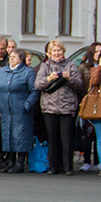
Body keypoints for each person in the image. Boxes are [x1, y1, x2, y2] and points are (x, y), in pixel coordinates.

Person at [34, 39, 83, 175]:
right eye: (54, 51)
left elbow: (79, 84)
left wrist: (69, 79)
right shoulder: (45, 66)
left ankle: (68, 167)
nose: (57, 53)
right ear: (49, 53)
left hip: (67, 107)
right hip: (49, 108)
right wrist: (49, 79)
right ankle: (53, 167)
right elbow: (38, 85)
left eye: (59, 50)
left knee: (67, 139)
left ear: (63, 52)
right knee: (52, 138)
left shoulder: (70, 65)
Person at [0, 49, 38, 172]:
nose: (11, 59)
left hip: (20, 109)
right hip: (5, 109)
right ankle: (10, 161)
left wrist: (27, 105)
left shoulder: (28, 73)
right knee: (7, 135)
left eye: (14, 57)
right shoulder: (3, 71)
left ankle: (20, 163)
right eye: (10, 57)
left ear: (21, 59)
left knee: (20, 135)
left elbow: (34, 91)